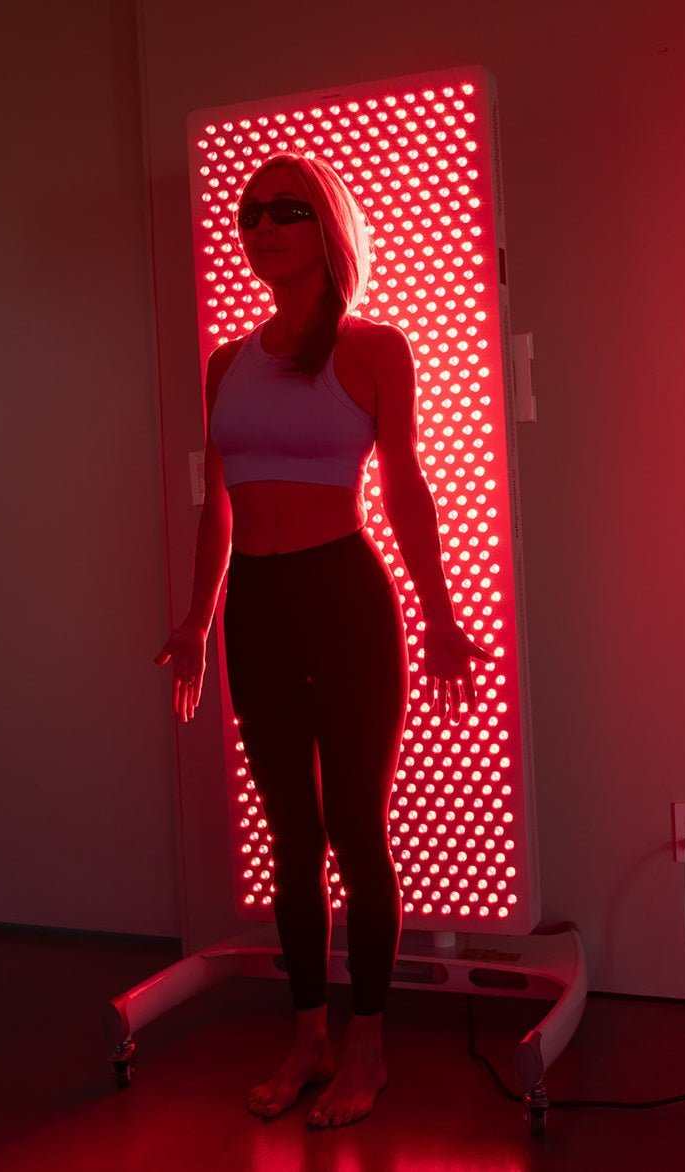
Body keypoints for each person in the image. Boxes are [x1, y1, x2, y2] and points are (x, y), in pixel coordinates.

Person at [154, 152, 494, 1128]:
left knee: (353, 827)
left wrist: (435, 612)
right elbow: (216, 506)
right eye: (248, 212)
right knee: (290, 839)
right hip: (259, 603)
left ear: (326, 228)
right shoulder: (226, 361)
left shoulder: (373, 346)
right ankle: (306, 1033)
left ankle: (367, 1046)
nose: (259, 227)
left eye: (283, 211)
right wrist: (196, 619)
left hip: (344, 598)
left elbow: (406, 488)